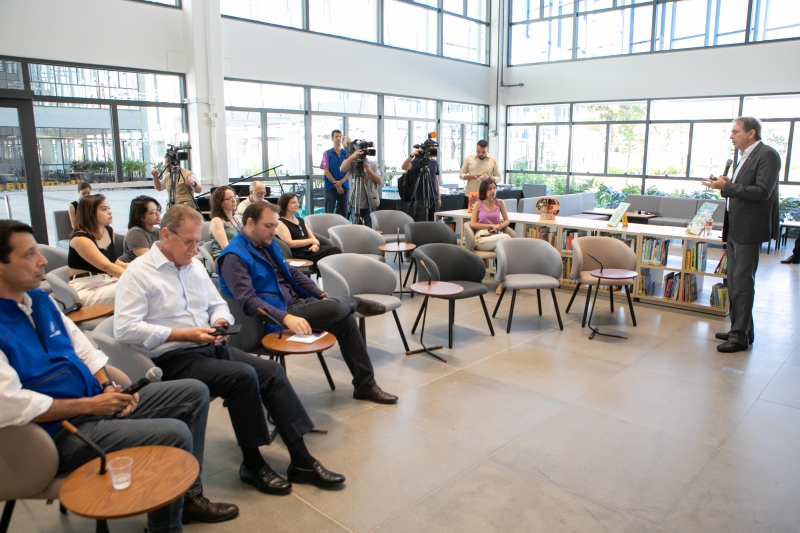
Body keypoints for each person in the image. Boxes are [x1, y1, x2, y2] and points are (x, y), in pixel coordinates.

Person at [0, 220, 238, 532]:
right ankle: (165, 528)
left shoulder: (40, 302)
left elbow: (84, 348)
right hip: (55, 434)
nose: (43, 259)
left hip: (92, 404)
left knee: (193, 393)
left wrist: (106, 385)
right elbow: (11, 404)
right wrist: (92, 406)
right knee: (175, 434)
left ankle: (188, 498)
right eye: (30, 254)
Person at [114, 205, 345, 493]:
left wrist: (219, 319)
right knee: (242, 376)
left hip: (208, 346)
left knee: (271, 371)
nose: (194, 249)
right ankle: (252, 462)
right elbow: (124, 329)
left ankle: (301, 459)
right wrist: (183, 334)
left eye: (197, 242)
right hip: (173, 358)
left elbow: (217, 303)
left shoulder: (194, 265)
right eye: (188, 241)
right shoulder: (138, 274)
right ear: (164, 235)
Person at [217, 201, 398, 405]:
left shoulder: (267, 244)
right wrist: (285, 317)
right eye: (268, 226)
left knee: (345, 320)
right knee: (339, 308)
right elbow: (248, 301)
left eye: (276, 225)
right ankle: (354, 301)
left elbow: (292, 273)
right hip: (275, 318)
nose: (273, 231)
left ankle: (365, 386)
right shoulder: (233, 257)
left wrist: (321, 296)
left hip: (297, 305)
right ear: (249, 223)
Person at [701, 116, 780, 353]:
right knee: (735, 281)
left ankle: (739, 336)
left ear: (751, 133)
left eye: (735, 132)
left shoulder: (767, 154)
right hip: (736, 227)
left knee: (743, 282)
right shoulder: (744, 157)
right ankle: (743, 330)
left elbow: (762, 191)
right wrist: (724, 184)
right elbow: (741, 190)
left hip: (749, 228)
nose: (731, 136)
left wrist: (726, 187)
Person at [68, 194, 127, 307]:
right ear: (89, 213)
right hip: (86, 287)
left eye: (109, 208)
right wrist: (137, 278)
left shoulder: (109, 231)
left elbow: (114, 262)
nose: (110, 212)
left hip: (105, 281)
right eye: (104, 209)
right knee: (135, 289)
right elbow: (107, 267)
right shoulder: (80, 238)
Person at [275, 193, 340, 272]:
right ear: (285, 205)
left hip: (310, 250)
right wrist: (311, 241)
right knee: (334, 251)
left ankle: (324, 273)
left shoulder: (300, 220)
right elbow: (290, 243)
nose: (297, 204)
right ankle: (323, 273)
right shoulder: (281, 223)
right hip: (299, 253)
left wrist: (314, 245)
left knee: (334, 252)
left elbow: (314, 239)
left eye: (297, 202)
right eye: (293, 202)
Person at [470, 179, 512, 295]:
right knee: (507, 239)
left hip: (496, 236)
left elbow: (507, 220)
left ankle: (501, 282)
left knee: (502, 249)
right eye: (489, 189)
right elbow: (473, 224)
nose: (493, 191)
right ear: (484, 190)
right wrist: (491, 225)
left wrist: (499, 227)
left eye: (494, 188)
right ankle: (503, 280)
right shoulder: (478, 203)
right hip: (482, 237)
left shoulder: (500, 202)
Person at [340, 140, 381, 226]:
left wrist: (369, 170)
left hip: (370, 202)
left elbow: (379, 181)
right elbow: (342, 169)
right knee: (356, 229)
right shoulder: (351, 164)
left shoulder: (373, 164)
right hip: (355, 202)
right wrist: (352, 156)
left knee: (370, 227)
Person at [401, 148, 441, 222]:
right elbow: (404, 167)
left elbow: (436, 180)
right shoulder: (417, 162)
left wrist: (439, 197)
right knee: (419, 223)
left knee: (434, 223)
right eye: (430, 149)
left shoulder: (434, 163)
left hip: (434, 197)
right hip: (420, 198)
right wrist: (411, 156)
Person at [121, 195, 162, 262]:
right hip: (137, 270)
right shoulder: (135, 233)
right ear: (141, 217)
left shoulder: (158, 231)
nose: (158, 213)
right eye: (153, 212)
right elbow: (150, 260)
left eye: (157, 209)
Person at [320, 129, 349, 217]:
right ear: (332, 139)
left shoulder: (346, 154)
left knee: (344, 213)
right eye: (336, 136)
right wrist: (336, 184)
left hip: (344, 186)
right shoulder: (326, 153)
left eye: (340, 136)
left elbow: (349, 171)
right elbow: (326, 171)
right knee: (329, 213)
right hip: (330, 188)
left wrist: (341, 182)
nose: (338, 138)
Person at [209, 185, 242, 261]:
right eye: (229, 198)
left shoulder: (237, 219)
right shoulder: (217, 220)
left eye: (234, 197)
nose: (234, 200)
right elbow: (225, 247)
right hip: (224, 258)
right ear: (221, 203)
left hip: (237, 255)